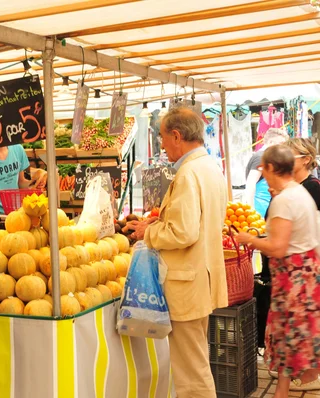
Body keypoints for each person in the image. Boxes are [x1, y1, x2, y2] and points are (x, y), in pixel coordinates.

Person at [128, 107, 228, 398]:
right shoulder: (210, 167)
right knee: (195, 361)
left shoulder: (188, 173)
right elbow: (194, 221)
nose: (162, 145)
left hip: (187, 282)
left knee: (191, 373)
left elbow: (183, 233)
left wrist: (148, 232)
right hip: (201, 277)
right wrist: (157, 222)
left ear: (176, 135)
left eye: (162, 138)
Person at [236, 145, 320, 396]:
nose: (262, 172)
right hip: (304, 276)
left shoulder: (285, 199)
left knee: (288, 336)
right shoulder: (297, 192)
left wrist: (248, 239)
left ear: (272, 168)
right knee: (290, 336)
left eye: (263, 167)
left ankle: (284, 391)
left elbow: (278, 247)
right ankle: (282, 391)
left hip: (293, 279)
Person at [244, 128, 288, 218]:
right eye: (281, 144)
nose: (282, 148)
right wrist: (251, 209)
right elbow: (250, 184)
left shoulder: (268, 157)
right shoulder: (261, 157)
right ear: (271, 142)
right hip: (259, 208)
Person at [286, 138, 320, 209]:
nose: (284, 160)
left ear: (306, 159)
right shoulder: (285, 184)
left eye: (289, 156)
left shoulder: (314, 186)